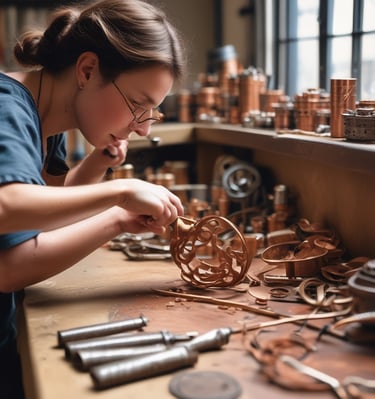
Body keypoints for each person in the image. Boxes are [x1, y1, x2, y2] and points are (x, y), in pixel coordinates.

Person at [0, 0, 186, 397]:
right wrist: (120, 194)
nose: (140, 129)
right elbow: (8, 216)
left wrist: (97, 169)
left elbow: (43, 215)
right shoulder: (7, 109)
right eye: (139, 105)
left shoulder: (44, 121)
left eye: (150, 113)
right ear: (87, 70)